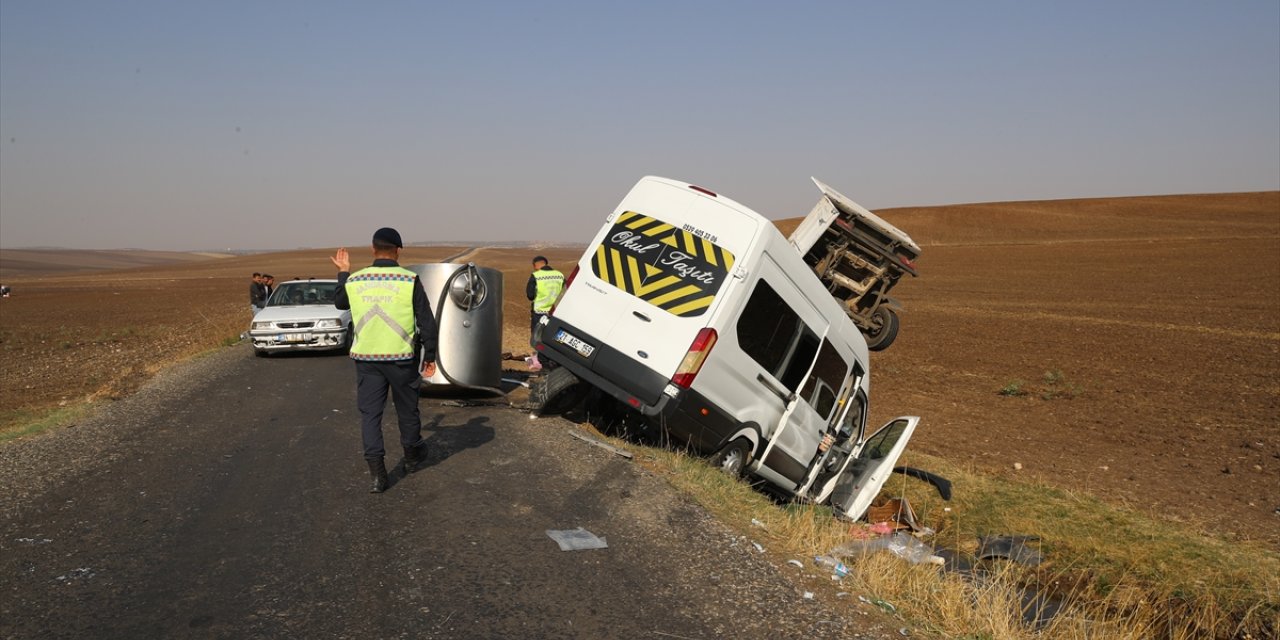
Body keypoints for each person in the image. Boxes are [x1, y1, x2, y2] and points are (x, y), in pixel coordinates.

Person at [332, 227, 438, 493]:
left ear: (372, 248)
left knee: (370, 415)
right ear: (398, 250)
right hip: (401, 358)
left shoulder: (355, 280)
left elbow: (340, 303)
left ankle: (378, 475)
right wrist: (431, 355)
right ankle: (412, 457)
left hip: (367, 359)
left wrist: (344, 271)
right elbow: (426, 321)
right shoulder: (408, 279)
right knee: (407, 409)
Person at [525, 255, 565, 371]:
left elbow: (530, 295)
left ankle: (544, 366)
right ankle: (555, 363)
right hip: (556, 313)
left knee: (539, 339)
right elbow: (565, 292)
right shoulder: (559, 275)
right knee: (554, 339)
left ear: (535, 265)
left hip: (539, 313)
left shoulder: (536, 276)